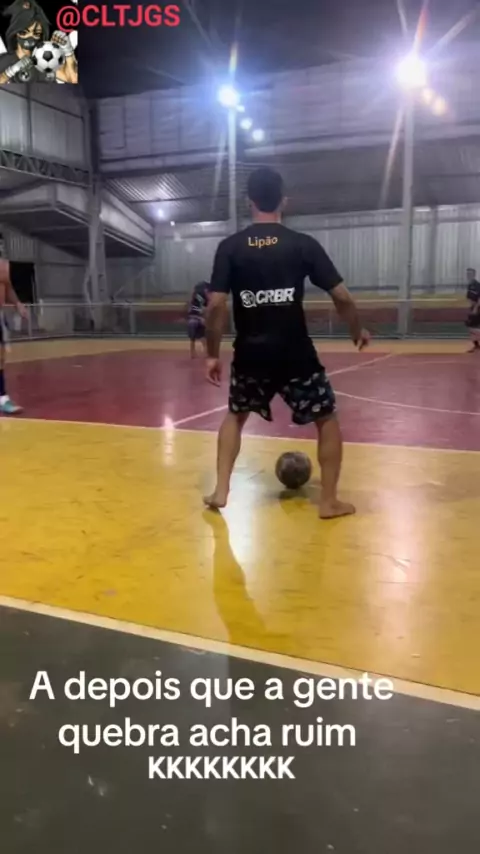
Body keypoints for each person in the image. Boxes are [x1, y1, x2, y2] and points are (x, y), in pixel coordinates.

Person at [203, 167, 370, 519]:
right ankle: (329, 502)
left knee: (236, 415)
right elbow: (342, 296)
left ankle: (221, 490)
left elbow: (215, 305)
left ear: (249, 201)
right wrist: (357, 329)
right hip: (296, 354)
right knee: (326, 417)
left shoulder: (230, 247)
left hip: (250, 355)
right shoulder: (302, 244)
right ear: (284, 201)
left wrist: (212, 355)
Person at [0, 0, 77, 85]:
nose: (30, 37)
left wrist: (68, 51)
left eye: (36, 33)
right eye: (23, 32)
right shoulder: (3, 60)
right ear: (15, 33)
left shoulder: (47, 60)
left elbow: (73, 78)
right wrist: (11, 71)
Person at [0, 258, 27, 414]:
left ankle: (2, 398)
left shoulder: (3, 265)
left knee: (1, 358)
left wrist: (18, 304)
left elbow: (8, 287)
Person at [186, 281, 209, 358]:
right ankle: (195, 352)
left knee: (199, 336)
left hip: (195, 318)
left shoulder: (197, 297)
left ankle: (197, 352)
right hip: (195, 318)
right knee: (200, 335)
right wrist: (200, 318)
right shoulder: (198, 297)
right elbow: (195, 310)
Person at [465, 267, 480, 353]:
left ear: (474, 275)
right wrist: (470, 307)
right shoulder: (469, 285)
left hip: (477, 308)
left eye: (470, 273)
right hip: (472, 307)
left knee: (472, 327)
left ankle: (477, 344)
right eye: (467, 274)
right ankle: (476, 345)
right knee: (471, 326)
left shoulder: (477, 285)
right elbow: (469, 298)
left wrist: (475, 308)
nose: (468, 275)